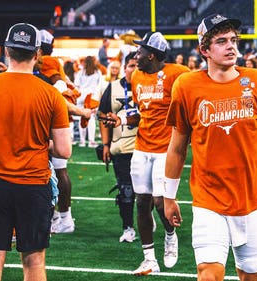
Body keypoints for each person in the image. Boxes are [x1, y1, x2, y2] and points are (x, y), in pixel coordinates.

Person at [163, 14, 257, 281]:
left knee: (252, 277)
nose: (231, 46)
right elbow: (177, 147)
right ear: (204, 50)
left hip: (253, 200)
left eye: (234, 40)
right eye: (222, 41)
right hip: (208, 200)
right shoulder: (187, 86)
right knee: (209, 274)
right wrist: (168, 197)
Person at [0, 23, 71, 280]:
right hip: (33, 184)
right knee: (34, 263)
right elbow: (64, 150)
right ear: (37, 53)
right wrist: (37, 140)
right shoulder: (51, 95)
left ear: (6, 50)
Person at [104, 32, 189, 275]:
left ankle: (170, 235)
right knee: (142, 202)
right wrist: (119, 118)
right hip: (142, 148)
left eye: (140, 52)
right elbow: (138, 112)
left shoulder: (178, 73)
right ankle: (149, 258)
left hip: (166, 149)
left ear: (152, 55)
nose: (136, 55)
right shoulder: (137, 76)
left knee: (161, 204)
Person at [37, 29, 93, 234]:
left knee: (57, 171)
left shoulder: (47, 62)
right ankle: (59, 216)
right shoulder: (51, 63)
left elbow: (59, 87)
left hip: (54, 121)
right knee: (55, 170)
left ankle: (63, 217)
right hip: (57, 119)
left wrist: (76, 107)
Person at [98, 52, 138, 243]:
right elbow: (104, 115)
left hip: (147, 148)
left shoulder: (150, 87)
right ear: (124, 68)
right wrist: (106, 144)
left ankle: (147, 216)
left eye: (138, 65)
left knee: (150, 194)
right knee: (126, 190)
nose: (135, 69)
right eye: (131, 65)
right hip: (121, 149)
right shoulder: (113, 87)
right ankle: (128, 227)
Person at [75, 55, 101, 148]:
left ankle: (82, 141)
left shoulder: (80, 73)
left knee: (82, 117)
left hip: (81, 96)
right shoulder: (97, 72)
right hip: (92, 97)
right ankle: (91, 141)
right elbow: (99, 86)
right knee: (91, 118)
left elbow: (77, 86)